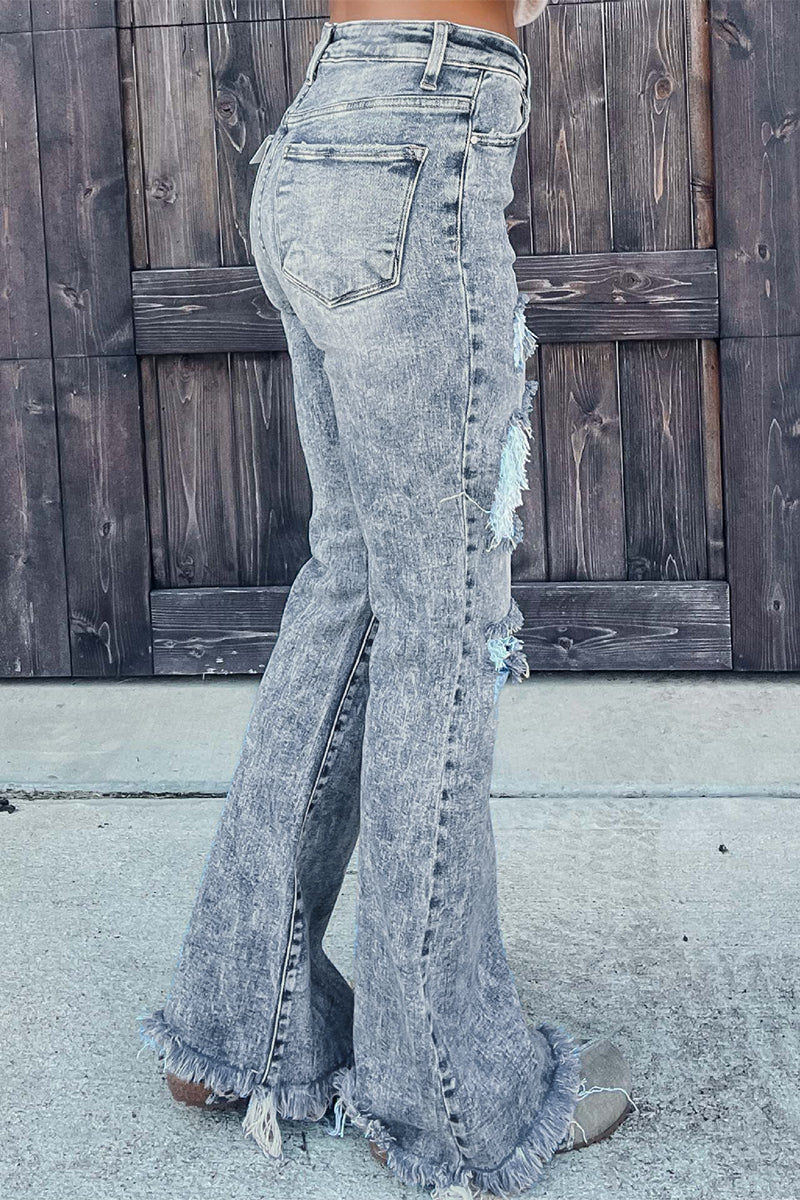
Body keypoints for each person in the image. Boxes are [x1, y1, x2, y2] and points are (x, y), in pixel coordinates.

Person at [138, 3, 636, 1195]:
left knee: (356, 583)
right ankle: (448, 1093)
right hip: (423, 127)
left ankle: (235, 1024)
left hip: (325, 131)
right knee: (440, 623)